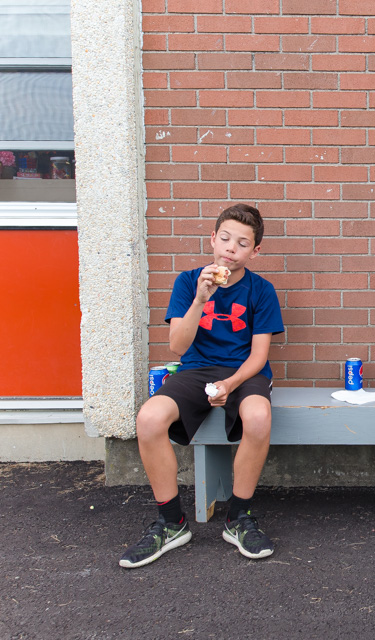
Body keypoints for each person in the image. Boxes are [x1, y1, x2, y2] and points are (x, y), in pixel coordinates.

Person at [119, 203, 285, 569]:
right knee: (148, 419)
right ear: (212, 239)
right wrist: (200, 298)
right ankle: (172, 522)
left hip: (243, 371)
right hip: (195, 369)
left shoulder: (261, 290)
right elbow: (177, 346)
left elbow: (258, 357)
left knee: (258, 417)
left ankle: (238, 517)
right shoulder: (187, 280)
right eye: (224, 238)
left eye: (242, 243)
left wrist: (230, 382)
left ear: (255, 251)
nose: (231, 248)